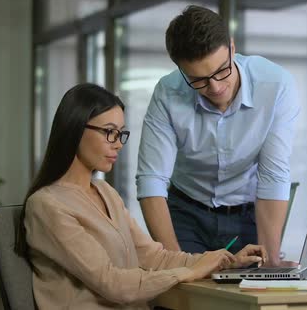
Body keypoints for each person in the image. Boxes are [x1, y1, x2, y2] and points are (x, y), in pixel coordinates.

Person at [15, 83, 267, 309]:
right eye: (109, 132)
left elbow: (156, 258)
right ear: (76, 129)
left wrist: (224, 261)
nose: (118, 144)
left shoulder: (105, 193)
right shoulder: (47, 205)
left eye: (121, 133)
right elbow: (111, 282)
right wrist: (186, 274)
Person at [136, 5, 300, 265]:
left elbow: (273, 175)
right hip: (186, 212)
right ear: (180, 69)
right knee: (184, 296)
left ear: (232, 48)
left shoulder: (276, 85)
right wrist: (175, 263)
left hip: (247, 214)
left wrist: (272, 265)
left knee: (247, 297)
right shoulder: (168, 93)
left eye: (221, 70)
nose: (215, 87)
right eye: (198, 80)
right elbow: (151, 180)